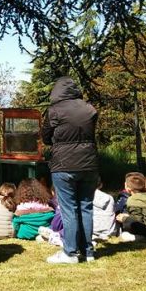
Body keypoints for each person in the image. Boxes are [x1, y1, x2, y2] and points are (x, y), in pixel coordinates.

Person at [42, 76, 99, 264]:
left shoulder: (54, 111)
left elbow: (46, 137)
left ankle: (70, 253)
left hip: (63, 165)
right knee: (86, 207)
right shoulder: (89, 109)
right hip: (89, 164)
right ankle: (88, 251)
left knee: (69, 209)